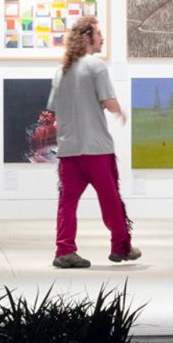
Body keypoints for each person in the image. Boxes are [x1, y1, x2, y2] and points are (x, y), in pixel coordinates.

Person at [47, 17, 139, 269]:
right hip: (96, 149)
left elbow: (53, 109)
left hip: (68, 151)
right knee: (111, 199)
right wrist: (120, 110)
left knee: (67, 203)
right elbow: (108, 101)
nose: (103, 38)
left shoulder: (60, 71)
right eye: (99, 33)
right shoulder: (95, 67)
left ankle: (64, 249)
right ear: (87, 37)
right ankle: (121, 246)